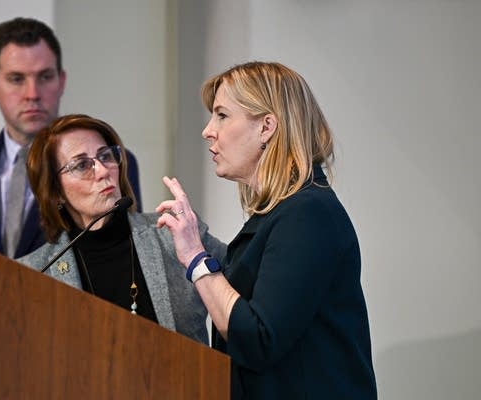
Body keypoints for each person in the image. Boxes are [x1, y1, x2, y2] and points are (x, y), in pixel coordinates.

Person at [156, 61, 377, 399]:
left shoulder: (308, 214)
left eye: (222, 115)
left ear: (266, 127)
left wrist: (196, 258)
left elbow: (258, 338)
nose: (208, 131)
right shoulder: (285, 213)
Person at [0, 17, 142, 259]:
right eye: (17, 79)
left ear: (62, 81)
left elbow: (122, 256)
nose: (32, 94)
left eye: (45, 77)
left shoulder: (109, 163)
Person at [16, 114, 225, 343]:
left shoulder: (171, 233)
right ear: (55, 191)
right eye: (82, 165)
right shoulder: (34, 274)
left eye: (106, 156)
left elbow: (250, 288)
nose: (103, 171)